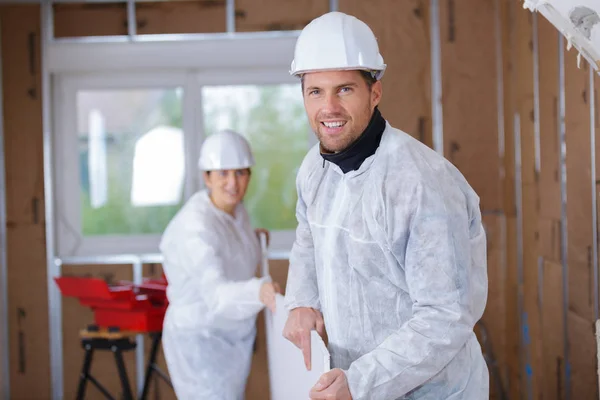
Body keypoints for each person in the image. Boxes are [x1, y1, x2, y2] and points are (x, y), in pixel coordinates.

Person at [282, 11, 489, 400]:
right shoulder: (315, 169)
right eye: (316, 91)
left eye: (344, 89)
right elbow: (307, 240)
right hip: (353, 384)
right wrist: (301, 302)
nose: (329, 107)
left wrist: (361, 382)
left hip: (432, 391)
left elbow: (444, 316)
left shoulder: (421, 182)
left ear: (374, 92)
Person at [160, 129, 281, 400]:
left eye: (240, 172)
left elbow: (229, 247)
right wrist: (258, 292)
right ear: (207, 177)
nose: (233, 183)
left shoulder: (235, 211)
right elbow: (217, 294)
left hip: (231, 338)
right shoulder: (195, 228)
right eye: (223, 173)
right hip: (201, 340)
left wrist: (250, 239)